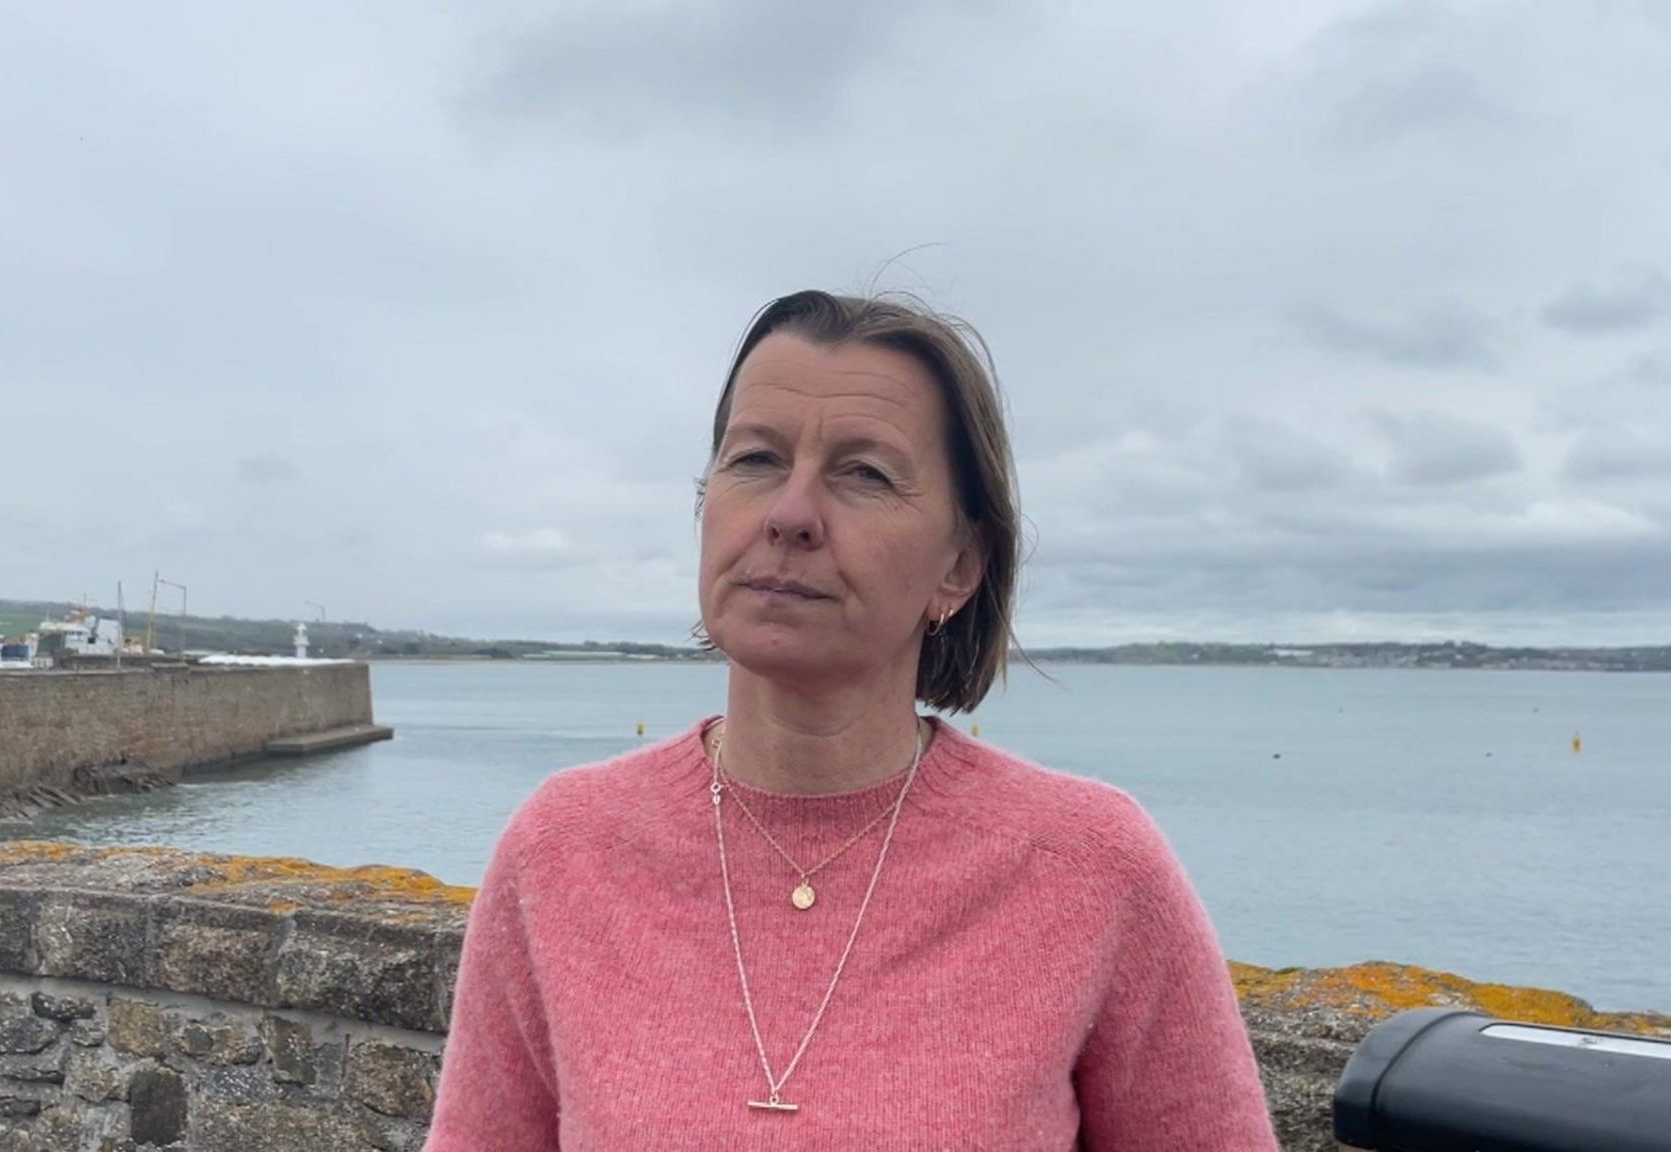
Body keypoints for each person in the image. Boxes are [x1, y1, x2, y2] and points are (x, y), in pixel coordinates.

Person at [425, 290, 1278, 1150]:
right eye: (755, 459)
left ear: (960, 564)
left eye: (863, 473)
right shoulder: (563, 848)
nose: (789, 515)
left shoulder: (1091, 867)